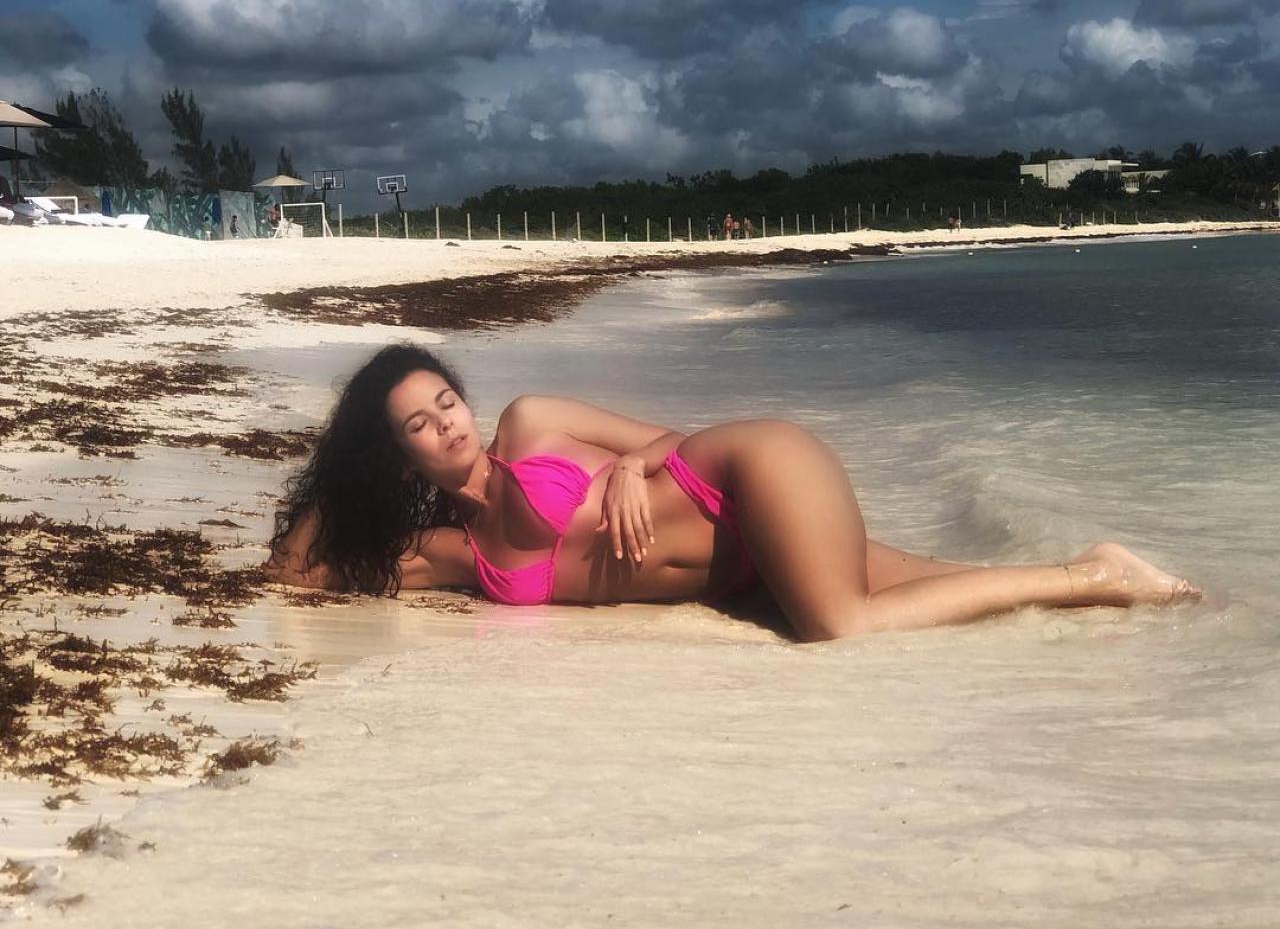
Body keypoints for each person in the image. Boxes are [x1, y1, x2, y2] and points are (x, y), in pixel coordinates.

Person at [265, 345, 1200, 642]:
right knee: (949, 583)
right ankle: (1097, 590)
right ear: (396, 457)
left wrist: (628, 469)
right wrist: (343, 469)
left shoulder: (533, 424)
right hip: (748, 569)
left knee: (841, 626)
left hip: (749, 475)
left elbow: (669, 437)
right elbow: (295, 573)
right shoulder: (458, 556)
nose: (447, 425)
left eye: (446, 402)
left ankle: (1096, 575)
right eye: (418, 425)